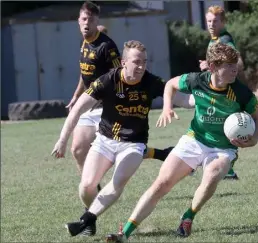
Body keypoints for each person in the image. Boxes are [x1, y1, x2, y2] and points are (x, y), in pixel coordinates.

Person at [105, 43, 258, 242]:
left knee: (212, 174)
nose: (235, 70)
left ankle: (189, 215)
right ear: (214, 67)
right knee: (161, 184)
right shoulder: (196, 80)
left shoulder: (241, 92)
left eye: (235, 65)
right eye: (229, 66)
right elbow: (170, 84)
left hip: (224, 148)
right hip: (195, 139)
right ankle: (125, 233)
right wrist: (166, 107)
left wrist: (255, 138)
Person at [52, 40, 195, 237]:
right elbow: (77, 109)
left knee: (116, 183)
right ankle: (91, 218)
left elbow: (184, 100)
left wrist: (208, 95)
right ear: (123, 62)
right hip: (104, 140)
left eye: (144, 62)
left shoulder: (150, 82)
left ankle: (86, 220)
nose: (141, 66)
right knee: (86, 186)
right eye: (136, 62)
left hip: (134, 145)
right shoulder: (108, 81)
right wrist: (62, 139)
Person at [68, 1, 176, 191]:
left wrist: (116, 97)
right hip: (90, 102)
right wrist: (77, 95)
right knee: (77, 149)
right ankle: (92, 188)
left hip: (107, 105)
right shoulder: (83, 43)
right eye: (84, 19)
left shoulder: (108, 47)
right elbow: (84, 72)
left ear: (97, 21)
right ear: (78, 21)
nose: (86, 23)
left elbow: (119, 73)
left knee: (123, 144)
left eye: (90, 20)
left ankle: (161, 154)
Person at [199, 5, 258, 179]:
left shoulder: (224, 39)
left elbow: (238, 63)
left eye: (215, 21)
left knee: (228, 128)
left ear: (223, 22)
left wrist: (216, 67)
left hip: (231, 89)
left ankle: (229, 171)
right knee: (229, 127)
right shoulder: (214, 39)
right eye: (208, 21)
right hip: (222, 88)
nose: (211, 24)